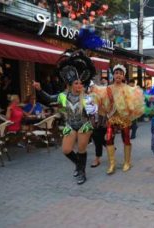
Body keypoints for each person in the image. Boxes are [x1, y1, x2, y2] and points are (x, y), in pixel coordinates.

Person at [33, 50, 97, 185]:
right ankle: (79, 166)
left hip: (84, 125)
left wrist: (94, 108)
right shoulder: (63, 96)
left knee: (81, 150)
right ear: (70, 84)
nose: (79, 85)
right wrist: (39, 90)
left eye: (81, 83)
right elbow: (48, 98)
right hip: (70, 125)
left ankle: (82, 172)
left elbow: (95, 110)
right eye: (76, 83)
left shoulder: (87, 97)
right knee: (66, 150)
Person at [93, 64, 144, 175]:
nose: (118, 75)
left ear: (123, 76)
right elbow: (101, 103)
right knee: (109, 140)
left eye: (120, 73)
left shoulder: (128, 89)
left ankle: (127, 162)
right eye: (116, 73)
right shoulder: (107, 89)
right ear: (113, 75)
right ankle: (112, 164)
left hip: (124, 119)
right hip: (111, 118)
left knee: (126, 139)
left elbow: (134, 105)